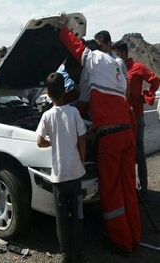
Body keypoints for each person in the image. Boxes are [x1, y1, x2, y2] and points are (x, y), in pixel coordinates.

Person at [58, 14, 141, 254]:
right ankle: (134, 236)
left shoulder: (93, 60)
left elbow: (77, 49)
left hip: (110, 137)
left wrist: (63, 29)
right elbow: (112, 99)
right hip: (127, 132)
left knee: (112, 191)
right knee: (128, 188)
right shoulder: (119, 66)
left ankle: (122, 242)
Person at [37, 72, 86, 263]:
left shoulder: (47, 116)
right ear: (65, 91)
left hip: (58, 176)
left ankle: (65, 253)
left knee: (62, 218)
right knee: (78, 214)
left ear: (48, 94)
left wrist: (53, 142)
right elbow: (82, 137)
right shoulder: (74, 113)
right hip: (75, 173)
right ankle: (78, 252)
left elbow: (40, 141)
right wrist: (82, 160)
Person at [112, 40, 160, 197]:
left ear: (124, 53)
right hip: (122, 118)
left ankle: (144, 190)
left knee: (139, 153)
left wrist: (146, 96)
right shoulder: (116, 69)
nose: (114, 56)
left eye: (116, 53)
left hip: (137, 116)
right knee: (126, 154)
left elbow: (155, 80)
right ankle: (130, 188)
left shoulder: (137, 67)